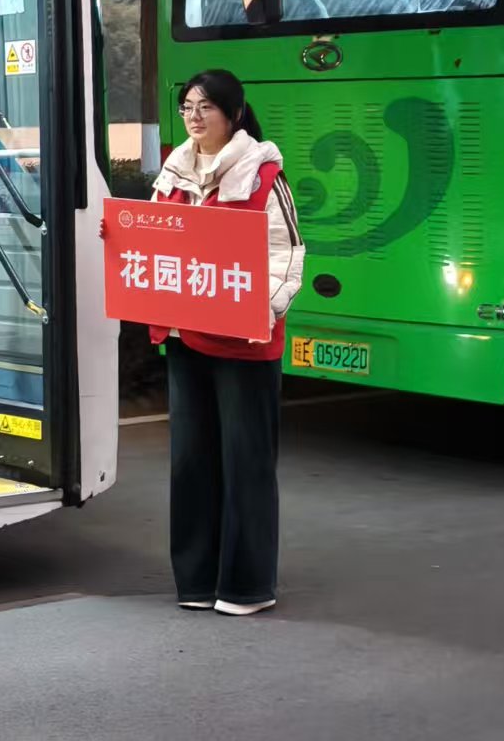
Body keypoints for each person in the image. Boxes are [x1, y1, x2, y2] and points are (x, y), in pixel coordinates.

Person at [152, 69, 303, 616]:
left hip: (244, 344)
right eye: (187, 107)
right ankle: (196, 581)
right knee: (190, 462)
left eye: (206, 107)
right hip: (185, 335)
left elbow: (288, 255)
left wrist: (259, 313)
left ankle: (246, 586)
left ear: (234, 114)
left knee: (246, 463)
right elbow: (154, 238)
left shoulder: (263, 176)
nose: (194, 117)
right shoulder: (173, 172)